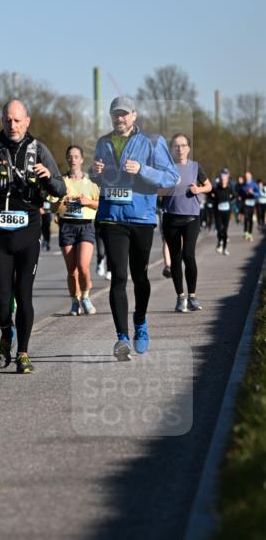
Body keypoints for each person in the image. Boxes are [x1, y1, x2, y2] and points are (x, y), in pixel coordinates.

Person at [0, 99, 66, 374]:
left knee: (24, 296)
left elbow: (60, 188)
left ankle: (23, 353)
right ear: (2, 121)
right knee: (1, 301)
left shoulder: (39, 150)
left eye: (17, 120)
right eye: (8, 120)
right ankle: (5, 334)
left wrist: (48, 177)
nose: (12, 125)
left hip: (28, 233)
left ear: (27, 121)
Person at [92, 96, 179, 361]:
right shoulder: (103, 142)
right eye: (115, 114)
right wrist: (95, 172)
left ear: (134, 115)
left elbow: (171, 177)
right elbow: (99, 179)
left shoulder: (153, 142)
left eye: (124, 114)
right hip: (112, 217)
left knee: (139, 276)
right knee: (118, 277)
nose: (119, 118)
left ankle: (140, 321)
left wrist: (142, 169)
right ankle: (122, 338)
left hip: (141, 218)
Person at [161, 133, 211, 313]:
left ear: (189, 148)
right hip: (171, 217)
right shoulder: (166, 167)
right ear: (172, 149)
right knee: (175, 258)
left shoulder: (196, 167)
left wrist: (199, 189)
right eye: (176, 146)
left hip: (191, 217)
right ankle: (180, 297)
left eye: (183, 145)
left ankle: (192, 296)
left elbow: (209, 186)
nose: (180, 149)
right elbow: (156, 188)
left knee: (188, 255)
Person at [51, 145, 99, 316]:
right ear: (67, 159)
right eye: (70, 156)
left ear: (82, 159)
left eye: (76, 156)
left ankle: (85, 296)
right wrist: (60, 200)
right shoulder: (60, 182)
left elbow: (100, 205)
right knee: (72, 270)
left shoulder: (91, 183)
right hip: (67, 226)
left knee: (83, 266)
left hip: (85, 226)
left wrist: (88, 202)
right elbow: (52, 208)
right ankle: (74, 301)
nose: (73, 159)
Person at [211, 170, 235, 255]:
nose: (223, 181)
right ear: (220, 180)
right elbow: (210, 195)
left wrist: (229, 201)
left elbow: (234, 196)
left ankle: (225, 248)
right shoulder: (216, 189)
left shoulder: (229, 189)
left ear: (227, 180)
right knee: (219, 230)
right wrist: (214, 200)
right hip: (218, 212)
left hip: (226, 212)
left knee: (224, 230)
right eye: (222, 179)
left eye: (225, 179)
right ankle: (219, 242)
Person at [238, 171, 259, 241]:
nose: (247, 177)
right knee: (246, 217)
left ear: (251, 176)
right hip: (245, 203)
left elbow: (258, 193)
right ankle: (245, 232)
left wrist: (252, 192)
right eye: (246, 176)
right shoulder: (244, 184)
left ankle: (250, 233)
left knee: (250, 219)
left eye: (248, 176)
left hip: (252, 203)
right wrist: (240, 196)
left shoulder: (254, 184)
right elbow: (240, 192)